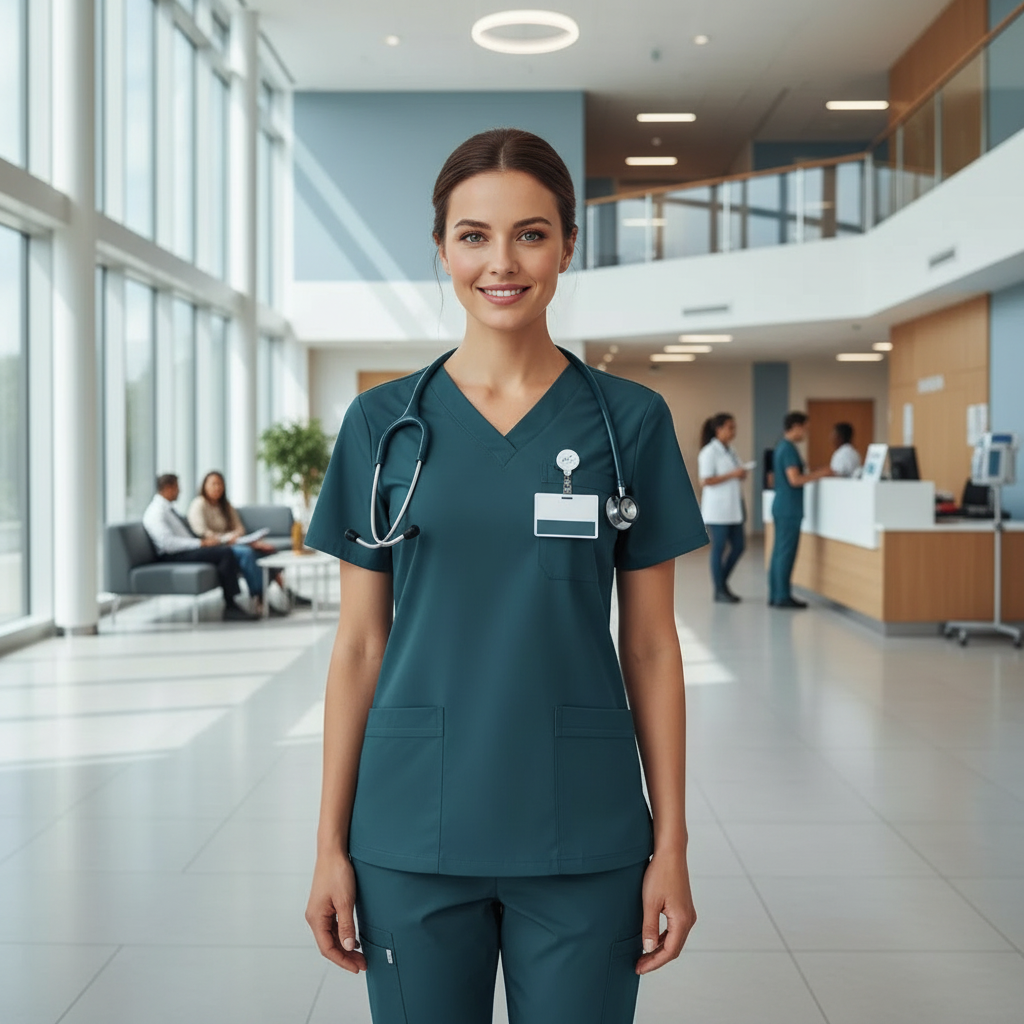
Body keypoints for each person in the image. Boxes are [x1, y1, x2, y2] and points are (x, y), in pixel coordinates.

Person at [303, 128, 708, 1024]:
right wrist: (330, 843)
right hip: (411, 829)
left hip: (585, 830)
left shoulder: (628, 423)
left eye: (530, 233)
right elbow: (361, 647)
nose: (502, 262)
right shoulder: (381, 424)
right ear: (443, 248)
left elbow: (649, 645)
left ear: (568, 244)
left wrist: (671, 843)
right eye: (474, 235)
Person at [187, 470, 307, 615]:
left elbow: (239, 527)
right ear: (204, 486)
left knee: (267, 551)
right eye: (213, 484)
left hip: (235, 542)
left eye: (220, 484)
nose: (217, 487)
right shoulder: (199, 505)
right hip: (217, 547)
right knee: (247, 554)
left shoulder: (225, 505)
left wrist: (237, 537)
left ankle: (285, 593)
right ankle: (260, 599)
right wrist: (226, 538)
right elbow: (202, 532)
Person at [141, 473, 258, 621]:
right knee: (225, 553)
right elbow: (168, 545)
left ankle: (234, 602)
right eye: (177, 487)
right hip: (173, 554)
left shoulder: (168, 509)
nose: (180, 491)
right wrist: (200, 543)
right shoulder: (156, 512)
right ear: (168, 488)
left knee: (224, 552)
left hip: (185, 549)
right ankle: (231, 606)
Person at [768, 412, 833, 609]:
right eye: (805, 428)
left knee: (779, 552)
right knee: (786, 552)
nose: (806, 433)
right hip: (789, 508)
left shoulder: (782, 446)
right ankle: (782, 596)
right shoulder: (788, 449)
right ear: (796, 426)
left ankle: (776, 593)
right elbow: (795, 479)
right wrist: (821, 473)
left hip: (783, 506)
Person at [697, 412, 746, 603]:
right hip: (717, 511)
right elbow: (705, 480)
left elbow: (735, 471)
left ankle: (722, 582)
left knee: (739, 547)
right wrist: (733, 474)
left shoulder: (730, 450)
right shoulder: (709, 452)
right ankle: (719, 589)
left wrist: (740, 474)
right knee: (719, 548)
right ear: (718, 429)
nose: (734, 431)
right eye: (730, 427)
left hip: (733, 508)